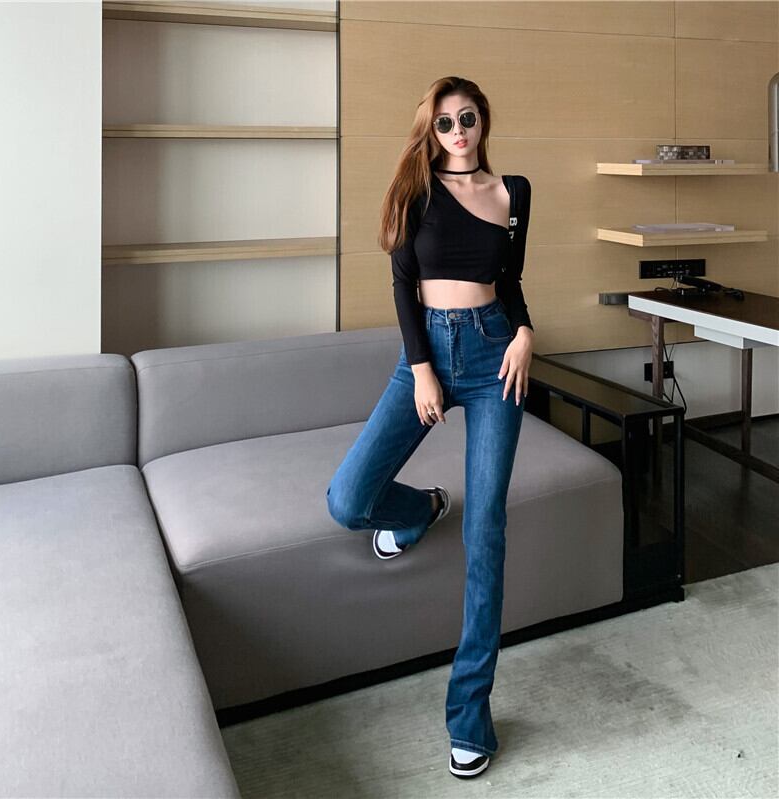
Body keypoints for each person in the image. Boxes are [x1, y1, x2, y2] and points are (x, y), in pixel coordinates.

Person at [325, 76, 534, 779]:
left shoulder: (514, 192)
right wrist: (421, 369)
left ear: (482, 119)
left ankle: (469, 716)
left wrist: (526, 332)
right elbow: (401, 282)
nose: (457, 131)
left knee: (487, 532)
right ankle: (420, 508)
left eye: (467, 117)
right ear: (431, 129)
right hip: (431, 354)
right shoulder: (415, 189)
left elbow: (510, 281)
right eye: (444, 122)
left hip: (497, 355)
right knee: (348, 499)